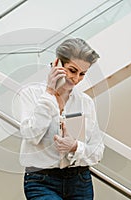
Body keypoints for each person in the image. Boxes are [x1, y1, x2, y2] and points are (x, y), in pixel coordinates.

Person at [19, 38, 105, 200]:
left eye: (82, 74)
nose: (76, 79)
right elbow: (31, 135)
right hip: (40, 180)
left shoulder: (85, 102)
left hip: (79, 181)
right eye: (72, 70)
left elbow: (97, 151)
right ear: (57, 63)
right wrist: (49, 93)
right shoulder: (30, 95)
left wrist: (75, 147)